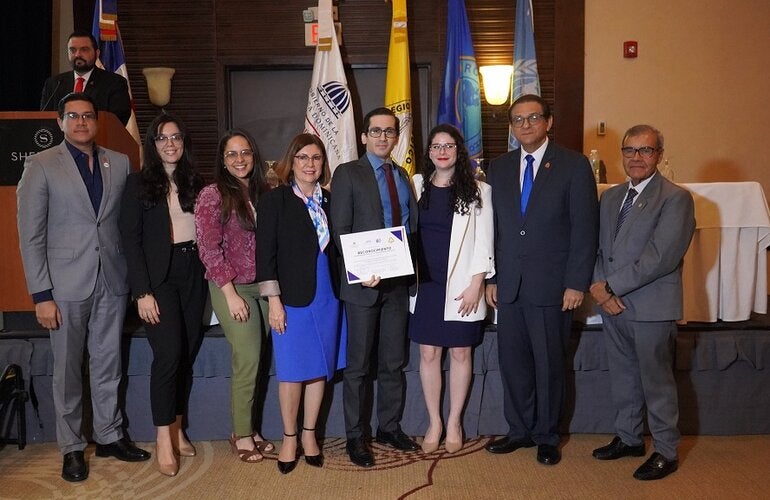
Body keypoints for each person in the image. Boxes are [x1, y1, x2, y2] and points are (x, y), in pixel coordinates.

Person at [16, 92, 150, 483]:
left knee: (109, 364)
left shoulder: (119, 162)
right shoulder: (40, 165)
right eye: (72, 116)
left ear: (96, 121)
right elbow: (31, 237)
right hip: (63, 287)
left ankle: (109, 435)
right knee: (67, 370)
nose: (80, 122)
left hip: (111, 279)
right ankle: (72, 447)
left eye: (87, 115)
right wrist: (41, 295)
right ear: (60, 122)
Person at [484, 94, 598, 466]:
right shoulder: (498, 168)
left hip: (553, 287)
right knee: (513, 363)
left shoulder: (573, 165)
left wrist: (576, 282)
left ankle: (547, 435)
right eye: (518, 120)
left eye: (533, 117)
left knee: (548, 364)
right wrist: (493, 277)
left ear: (548, 122)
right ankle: (518, 430)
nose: (525, 125)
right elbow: (496, 230)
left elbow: (584, 230)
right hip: (510, 286)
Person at [589, 125, 695, 481]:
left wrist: (611, 287)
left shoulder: (675, 198)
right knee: (623, 378)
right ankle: (630, 437)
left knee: (657, 383)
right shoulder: (610, 197)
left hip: (651, 308)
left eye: (645, 151)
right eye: (630, 150)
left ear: (659, 155)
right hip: (613, 306)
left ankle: (666, 451)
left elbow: (660, 257)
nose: (636, 157)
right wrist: (600, 290)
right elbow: (600, 249)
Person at [330, 107, 419, 468]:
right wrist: (360, 269)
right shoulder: (348, 173)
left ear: (397, 137)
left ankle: (389, 427)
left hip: (397, 285)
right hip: (363, 285)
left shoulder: (402, 175)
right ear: (364, 136)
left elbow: (410, 228)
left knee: (394, 362)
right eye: (377, 131)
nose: (384, 137)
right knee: (358, 366)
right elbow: (341, 230)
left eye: (390, 132)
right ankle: (356, 436)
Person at [118, 113, 207, 477]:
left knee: (186, 354)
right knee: (167, 355)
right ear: (153, 146)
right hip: (159, 279)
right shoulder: (137, 183)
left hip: (193, 273)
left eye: (176, 137)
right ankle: (162, 439)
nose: (170, 143)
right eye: (162, 138)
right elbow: (130, 241)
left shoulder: (196, 181)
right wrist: (142, 291)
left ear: (183, 142)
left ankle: (178, 427)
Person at [256, 133, 347, 474]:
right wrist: (274, 302)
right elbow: (265, 256)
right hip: (291, 299)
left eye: (317, 158)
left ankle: (310, 435)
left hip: (328, 295)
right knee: (293, 372)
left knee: (319, 369)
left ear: (324, 164)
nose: (310, 164)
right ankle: (290, 437)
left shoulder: (331, 200)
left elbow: (343, 248)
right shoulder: (274, 201)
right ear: (290, 163)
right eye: (303, 158)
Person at [409, 124, 494, 454]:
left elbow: (485, 241)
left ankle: (455, 420)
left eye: (448, 145)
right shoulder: (416, 185)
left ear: (458, 151)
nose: (441, 151)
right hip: (426, 283)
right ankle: (435, 422)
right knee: (428, 353)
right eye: (435, 146)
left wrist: (477, 283)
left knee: (460, 353)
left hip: (462, 285)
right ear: (429, 152)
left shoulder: (478, 190)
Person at [195, 129, 274, 463]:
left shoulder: (265, 191)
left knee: (260, 360)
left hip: (264, 286)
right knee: (248, 358)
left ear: (254, 157)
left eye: (245, 153)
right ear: (223, 160)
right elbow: (208, 249)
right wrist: (229, 294)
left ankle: (251, 429)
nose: (240, 159)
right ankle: (241, 433)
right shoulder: (212, 195)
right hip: (232, 286)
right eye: (232, 154)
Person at [40, 31, 131, 126]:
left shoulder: (115, 83)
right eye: (72, 50)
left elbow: (118, 120)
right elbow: (44, 120)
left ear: (97, 53)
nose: (77, 54)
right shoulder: (54, 83)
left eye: (84, 50)